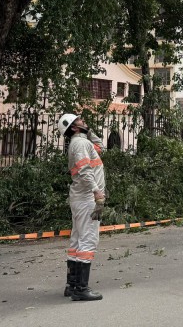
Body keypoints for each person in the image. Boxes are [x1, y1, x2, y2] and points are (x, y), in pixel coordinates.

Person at [60, 112, 106, 301]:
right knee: (88, 240)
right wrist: (97, 192)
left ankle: (72, 285)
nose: (84, 120)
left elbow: (101, 147)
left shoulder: (81, 142)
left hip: (80, 198)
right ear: (73, 127)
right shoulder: (80, 144)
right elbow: (85, 170)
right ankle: (81, 289)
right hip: (87, 198)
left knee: (77, 240)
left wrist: (89, 131)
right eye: (80, 120)